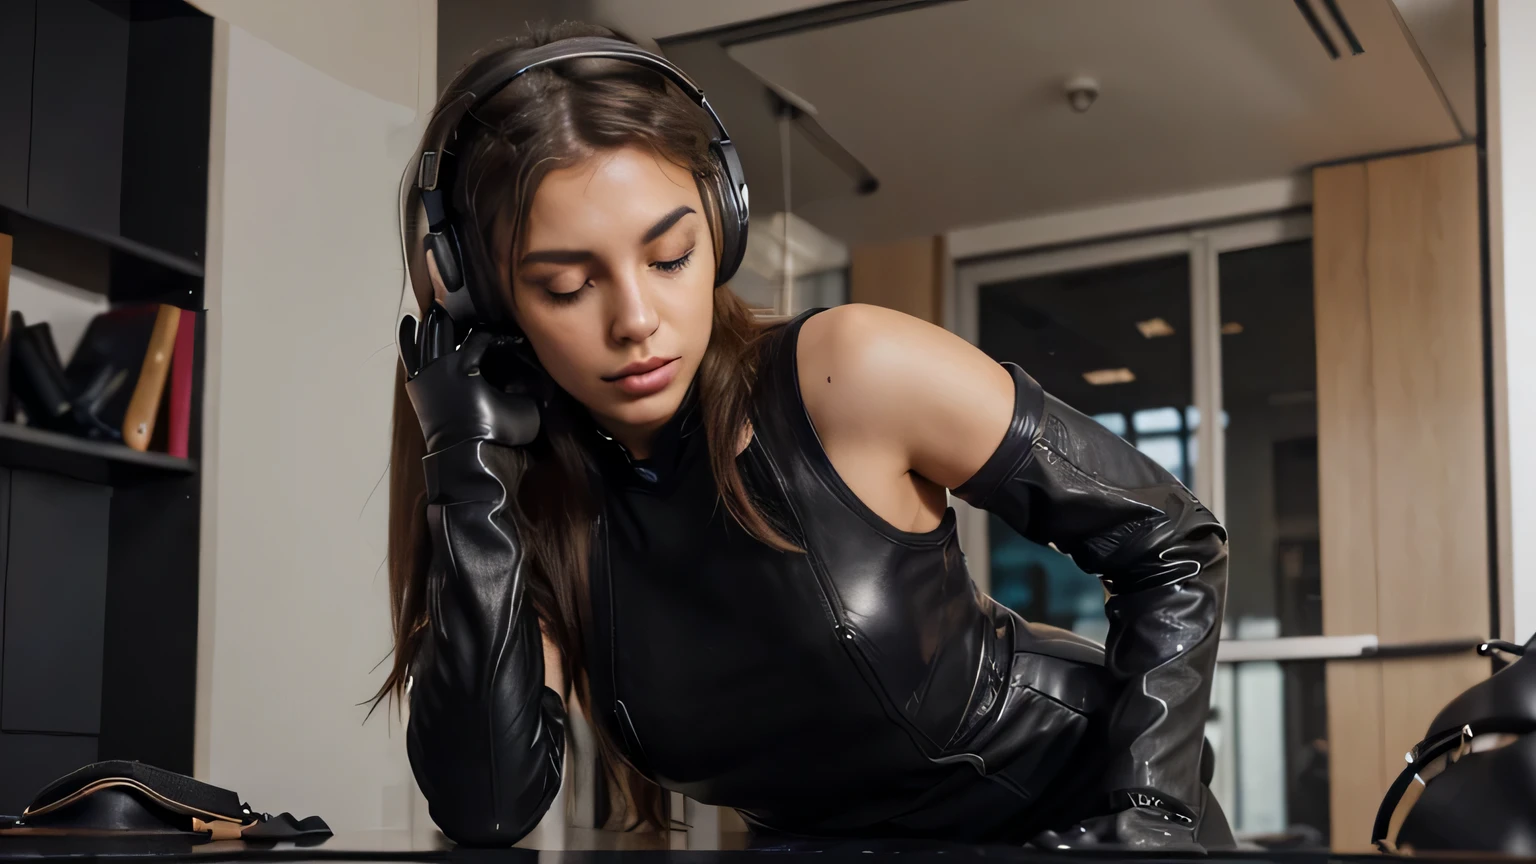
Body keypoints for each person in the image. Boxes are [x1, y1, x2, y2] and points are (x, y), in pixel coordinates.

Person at [380, 22, 1232, 850]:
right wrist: (466, 471)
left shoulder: (850, 369)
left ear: (722, 226)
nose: (636, 321)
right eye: (566, 285)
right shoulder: (528, 502)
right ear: (483, 301)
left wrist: (1150, 811)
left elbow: (1173, 540)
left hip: (1074, 819)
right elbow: (487, 805)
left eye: (670, 257)